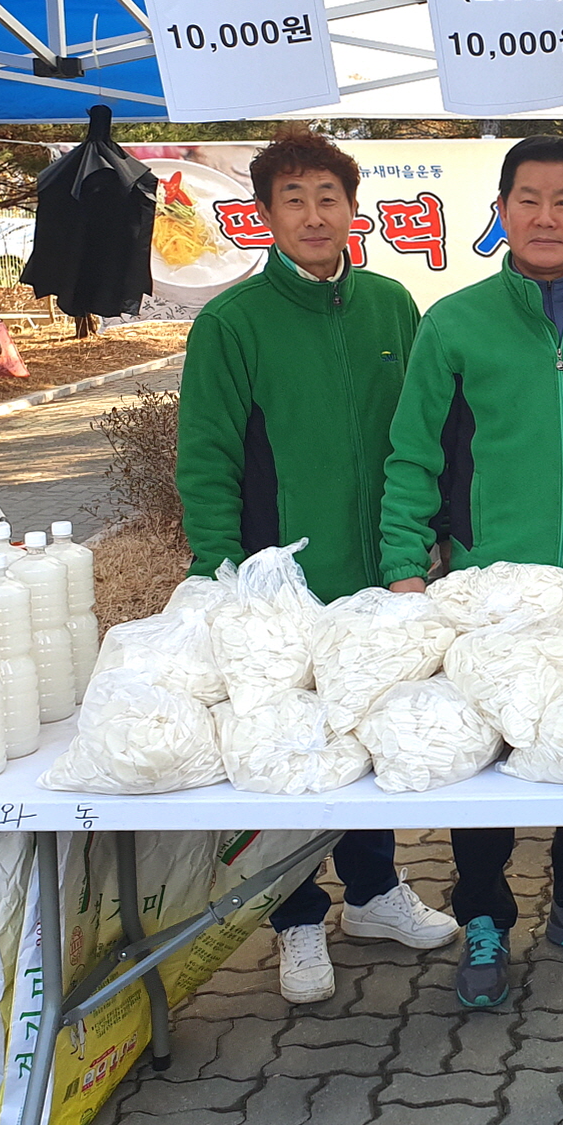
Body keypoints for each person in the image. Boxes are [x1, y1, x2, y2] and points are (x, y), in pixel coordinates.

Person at [383, 135, 563, 1009]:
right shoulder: (455, 323)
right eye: (528, 200)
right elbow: (412, 457)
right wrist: (406, 567)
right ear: (502, 211)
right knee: (488, 754)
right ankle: (483, 913)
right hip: (489, 589)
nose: (546, 217)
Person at [175, 129, 456, 1006]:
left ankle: (373, 893)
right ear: (262, 215)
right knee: (285, 747)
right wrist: (224, 576)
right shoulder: (232, 322)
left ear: (351, 208)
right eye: (292, 199)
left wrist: (428, 539)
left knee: (367, 735)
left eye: (326, 197)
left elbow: (427, 436)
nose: (311, 214)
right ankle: (295, 916)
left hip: (381, 575)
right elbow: (208, 457)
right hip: (280, 586)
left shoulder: (390, 305)